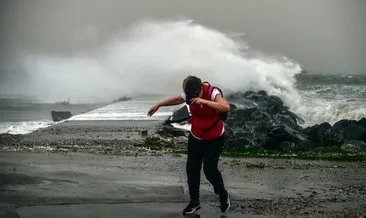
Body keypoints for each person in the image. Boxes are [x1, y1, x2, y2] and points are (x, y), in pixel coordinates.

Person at [147, 75, 231, 215]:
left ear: (200, 89)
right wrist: (159, 104)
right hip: (196, 135)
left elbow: (225, 107)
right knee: (192, 169)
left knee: (209, 170)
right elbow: (178, 99)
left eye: (195, 95)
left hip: (214, 137)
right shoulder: (189, 93)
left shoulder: (212, 92)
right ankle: (194, 202)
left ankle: (223, 195)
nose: (192, 98)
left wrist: (205, 101)